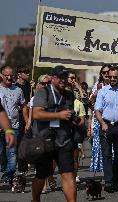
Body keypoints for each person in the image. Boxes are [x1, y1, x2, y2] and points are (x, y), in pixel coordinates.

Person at [31, 66, 76, 202]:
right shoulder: (43, 92)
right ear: (53, 78)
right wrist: (58, 115)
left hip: (64, 140)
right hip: (45, 141)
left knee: (68, 174)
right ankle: (35, 199)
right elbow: (36, 113)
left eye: (65, 77)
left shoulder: (69, 94)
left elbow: (69, 114)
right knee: (41, 175)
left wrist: (75, 119)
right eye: (60, 77)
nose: (63, 80)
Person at [0, 65, 29, 190]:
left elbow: (23, 107)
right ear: (1, 75)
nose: (9, 77)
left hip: (14, 126)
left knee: (12, 153)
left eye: (11, 75)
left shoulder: (18, 90)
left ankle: (10, 175)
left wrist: (27, 122)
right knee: (1, 152)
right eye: (6, 75)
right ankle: (5, 170)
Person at [89, 64, 111, 174]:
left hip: (113, 120)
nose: (106, 74)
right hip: (99, 119)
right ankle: (103, 169)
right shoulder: (98, 85)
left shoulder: (116, 85)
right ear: (101, 74)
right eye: (104, 72)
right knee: (100, 145)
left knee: (111, 146)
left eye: (108, 72)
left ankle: (111, 170)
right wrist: (95, 94)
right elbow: (90, 104)